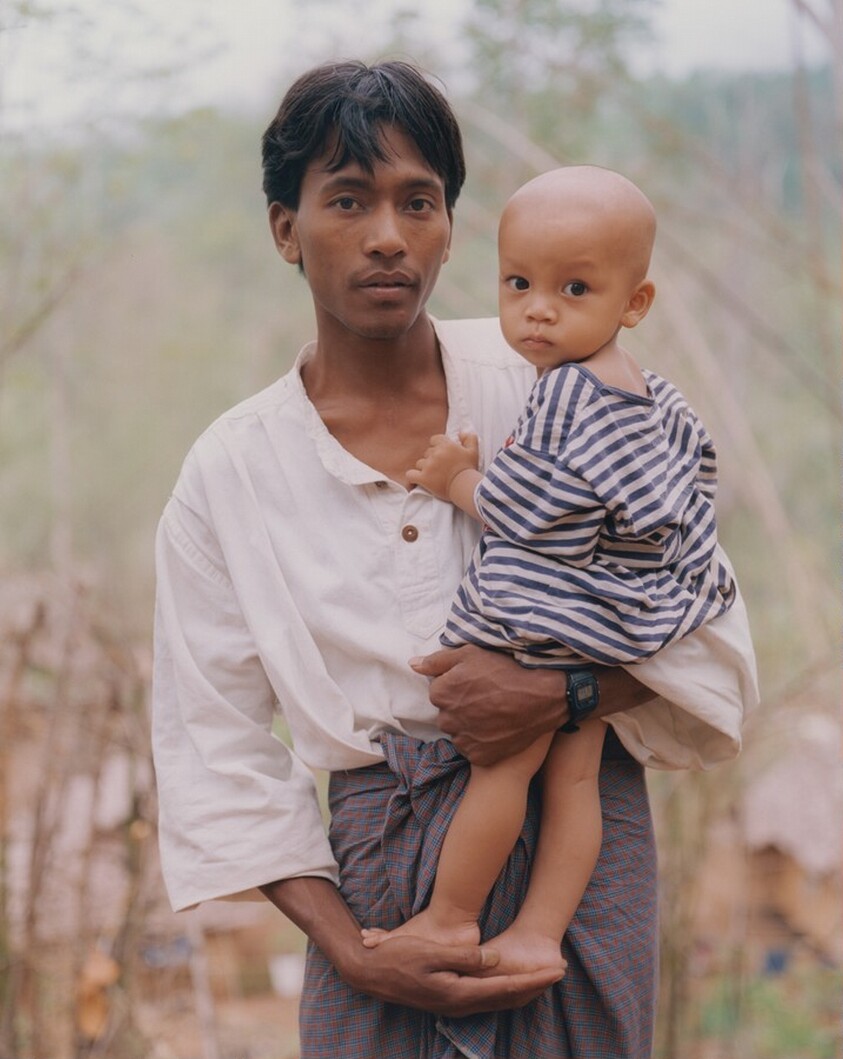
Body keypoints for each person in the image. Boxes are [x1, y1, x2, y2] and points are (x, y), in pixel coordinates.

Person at [152, 59, 758, 1059]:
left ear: (448, 229)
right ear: (285, 229)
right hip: (375, 882)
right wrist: (351, 952)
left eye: (418, 201)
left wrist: (564, 693)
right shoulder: (231, 473)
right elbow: (214, 744)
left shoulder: (560, 386)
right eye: (349, 199)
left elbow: (706, 621)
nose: (388, 235)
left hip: (579, 844)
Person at [360, 165, 736, 977]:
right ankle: (537, 930)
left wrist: (456, 479)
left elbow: (533, 517)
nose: (538, 308)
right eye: (518, 283)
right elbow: (688, 491)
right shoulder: (656, 396)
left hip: (550, 618)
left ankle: (450, 918)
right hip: (614, 623)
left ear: (634, 302)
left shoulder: (567, 391)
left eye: (573, 289)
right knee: (574, 780)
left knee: (505, 766)